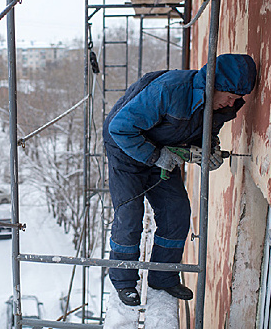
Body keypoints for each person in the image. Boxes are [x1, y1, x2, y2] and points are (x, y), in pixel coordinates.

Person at [102, 54, 257, 306]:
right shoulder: (171, 90)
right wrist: (156, 156)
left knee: (176, 211)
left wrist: (209, 150)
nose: (232, 102)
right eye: (229, 95)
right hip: (126, 149)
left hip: (164, 150)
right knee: (129, 214)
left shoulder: (223, 105)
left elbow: (206, 133)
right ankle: (124, 281)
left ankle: (163, 277)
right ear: (212, 84)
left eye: (238, 99)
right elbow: (120, 128)